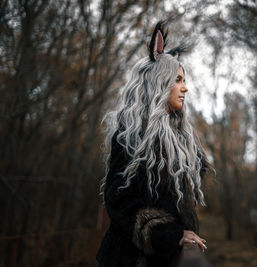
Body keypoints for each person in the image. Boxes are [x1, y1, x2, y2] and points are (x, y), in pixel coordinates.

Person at [96, 20, 211, 267]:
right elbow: (119, 202)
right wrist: (172, 236)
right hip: (129, 259)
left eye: (184, 80)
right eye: (178, 80)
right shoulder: (130, 137)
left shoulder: (181, 141)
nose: (185, 88)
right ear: (159, 83)